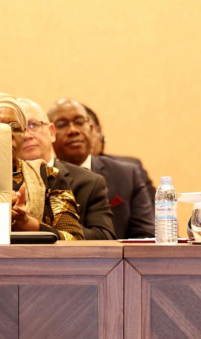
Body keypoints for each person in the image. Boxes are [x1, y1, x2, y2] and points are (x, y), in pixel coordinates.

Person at [0, 93, 84, 241]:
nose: (8, 133)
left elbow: (75, 241)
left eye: (15, 128)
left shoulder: (48, 176)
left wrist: (28, 224)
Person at [48, 98, 154, 239]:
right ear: (51, 134)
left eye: (79, 122)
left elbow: (146, 236)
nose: (73, 130)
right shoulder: (44, 177)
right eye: (62, 124)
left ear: (92, 129)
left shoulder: (127, 175)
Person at [17, 98, 116, 240]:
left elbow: (104, 237)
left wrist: (39, 226)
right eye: (19, 129)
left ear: (52, 132)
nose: (27, 135)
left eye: (33, 125)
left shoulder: (89, 182)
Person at [83, 104, 156, 204]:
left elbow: (153, 210)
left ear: (99, 133)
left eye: (86, 128)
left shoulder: (129, 171)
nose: (80, 136)